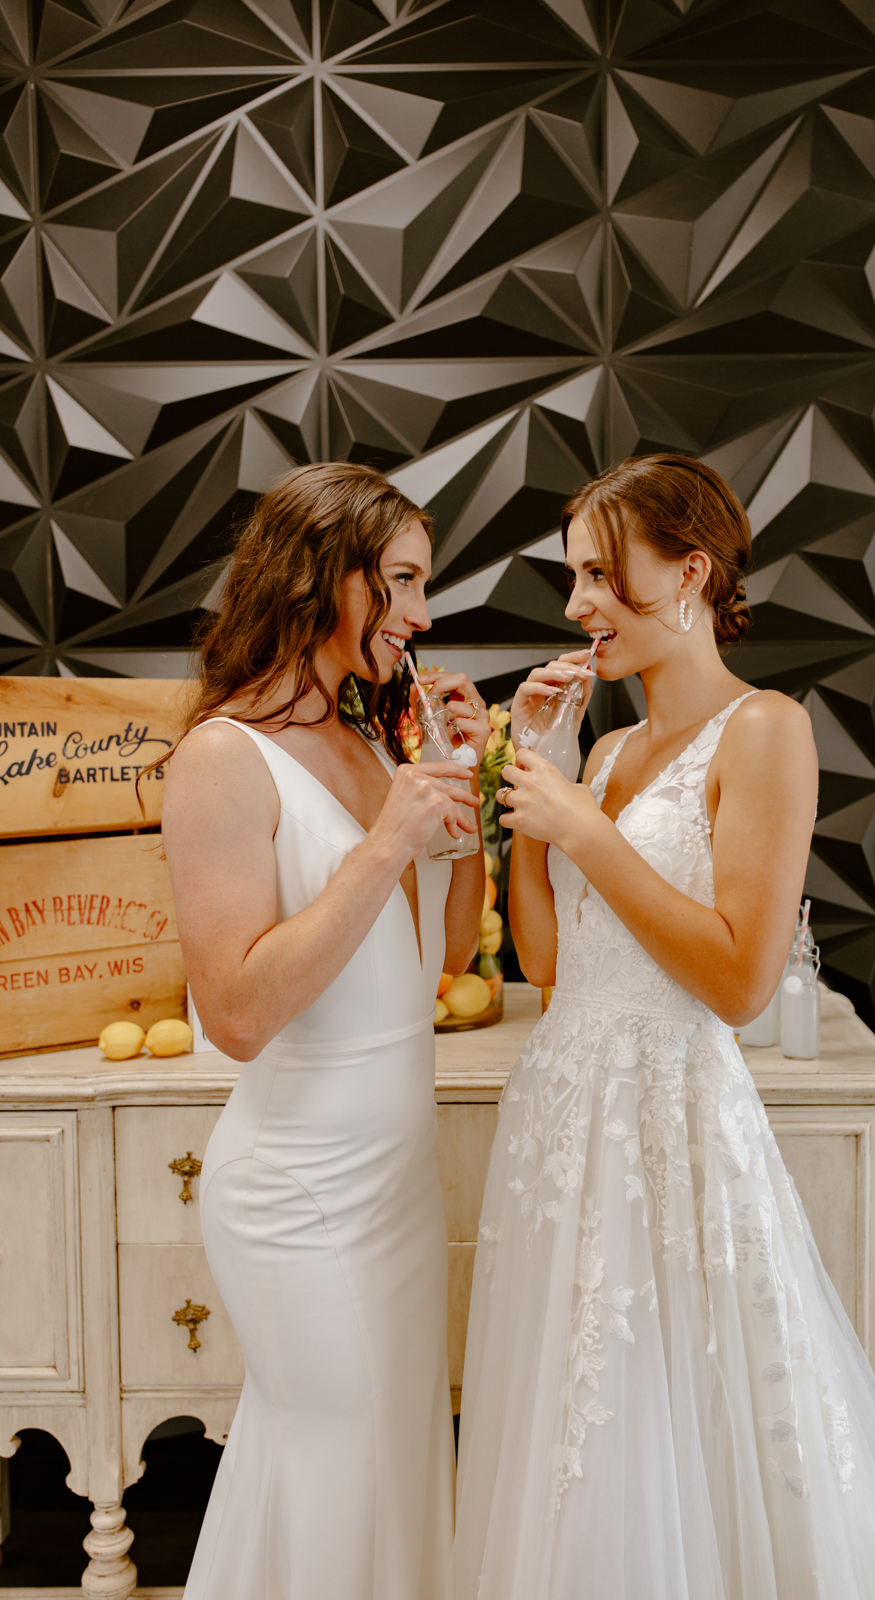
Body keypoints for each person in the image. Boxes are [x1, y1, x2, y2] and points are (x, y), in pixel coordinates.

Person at [450, 454, 875, 1599]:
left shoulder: (764, 731)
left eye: (601, 574)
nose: (577, 603)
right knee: (577, 1423)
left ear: (688, 572)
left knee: (682, 1411)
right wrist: (540, 785)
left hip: (672, 1119)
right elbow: (549, 964)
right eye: (573, 577)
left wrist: (584, 831)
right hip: (565, 1117)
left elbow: (738, 982)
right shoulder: (605, 753)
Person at [160, 463, 489, 1600]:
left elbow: (446, 955)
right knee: (336, 1472)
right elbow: (238, 1013)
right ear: (322, 575)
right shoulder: (220, 757)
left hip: (394, 1185)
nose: (423, 614)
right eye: (403, 581)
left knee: (386, 1466)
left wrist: (464, 794)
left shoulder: (369, 746)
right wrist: (387, 842)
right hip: (298, 1195)